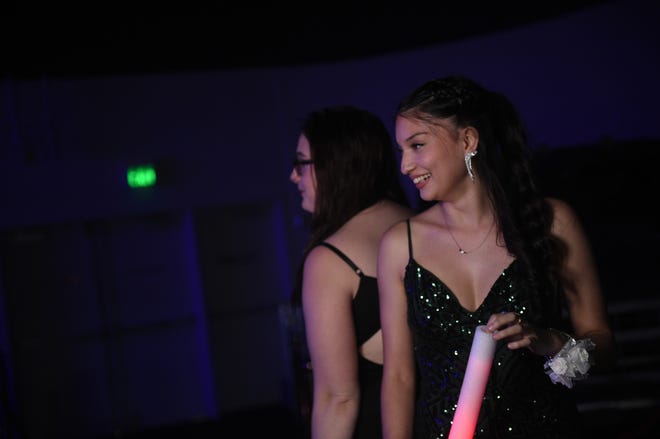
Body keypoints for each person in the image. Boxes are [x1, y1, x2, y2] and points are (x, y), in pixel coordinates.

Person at [377, 75, 616, 438]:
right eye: (402, 151)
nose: (405, 166)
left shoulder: (552, 223)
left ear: (468, 140)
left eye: (417, 145)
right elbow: (398, 376)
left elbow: (604, 345)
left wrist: (550, 342)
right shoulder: (400, 244)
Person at [289, 105, 413, 439]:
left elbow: (338, 398)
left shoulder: (329, 260)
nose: (294, 176)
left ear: (337, 166)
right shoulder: (422, 227)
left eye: (302, 163)